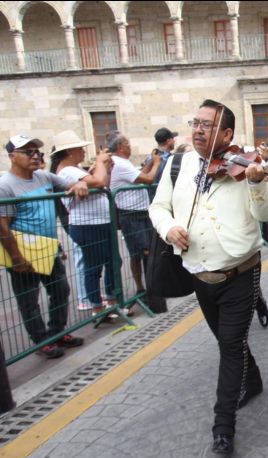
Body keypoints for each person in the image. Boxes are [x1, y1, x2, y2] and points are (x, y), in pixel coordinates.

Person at [149, 99, 268, 455]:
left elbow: (266, 213)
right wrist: (170, 227)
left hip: (241, 272)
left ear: (228, 134)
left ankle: (223, 426)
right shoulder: (178, 163)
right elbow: (158, 207)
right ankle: (253, 380)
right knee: (227, 339)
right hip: (199, 274)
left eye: (209, 125)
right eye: (197, 123)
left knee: (229, 345)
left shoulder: (246, 164)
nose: (199, 130)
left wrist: (256, 183)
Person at [0, 134, 89, 358]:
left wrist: (79, 184)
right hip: (22, 253)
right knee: (29, 300)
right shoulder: (5, 186)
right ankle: (41, 341)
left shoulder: (43, 177)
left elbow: (69, 183)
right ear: (12, 156)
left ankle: (57, 332)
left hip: (48, 250)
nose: (35, 156)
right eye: (28, 152)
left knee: (60, 290)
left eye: (37, 152)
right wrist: (17, 257)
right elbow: (2, 226)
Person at [50, 131, 119, 322]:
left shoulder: (75, 170)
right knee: (94, 266)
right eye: (80, 148)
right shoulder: (67, 172)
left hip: (99, 221)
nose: (82, 151)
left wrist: (106, 168)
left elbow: (102, 184)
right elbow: (98, 182)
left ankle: (111, 301)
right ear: (70, 151)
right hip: (88, 224)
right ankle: (97, 307)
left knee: (112, 261)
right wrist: (99, 162)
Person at [107, 131, 165, 313]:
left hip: (139, 213)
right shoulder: (119, 164)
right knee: (143, 252)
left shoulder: (123, 163)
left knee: (141, 253)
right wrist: (156, 164)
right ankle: (148, 291)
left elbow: (139, 174)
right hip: (131, 215)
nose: (130, 146)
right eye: (127, 143)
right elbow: (147, 179)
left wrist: (149, 163)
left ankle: (146, 289)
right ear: (120, 147)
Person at [143, 127, 177, 201]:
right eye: (173, 139)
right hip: (164, 197)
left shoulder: (149, 157)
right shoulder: (170, 159)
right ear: (168, 141)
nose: (174, 142)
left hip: (151, 197)